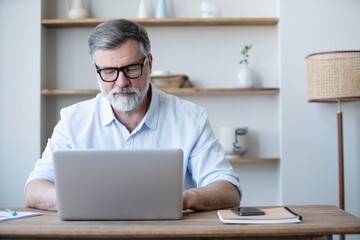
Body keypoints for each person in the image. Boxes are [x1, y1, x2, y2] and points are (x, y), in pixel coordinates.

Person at [25, 19, 241, 211]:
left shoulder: (191, 119)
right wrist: (79, 200)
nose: (121, 82)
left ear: (149, 63)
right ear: (96, 71)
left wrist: (183, 199)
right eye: (109, 71)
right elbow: (34, 189)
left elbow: (228, 190)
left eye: (131, 68)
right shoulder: (73, 120)